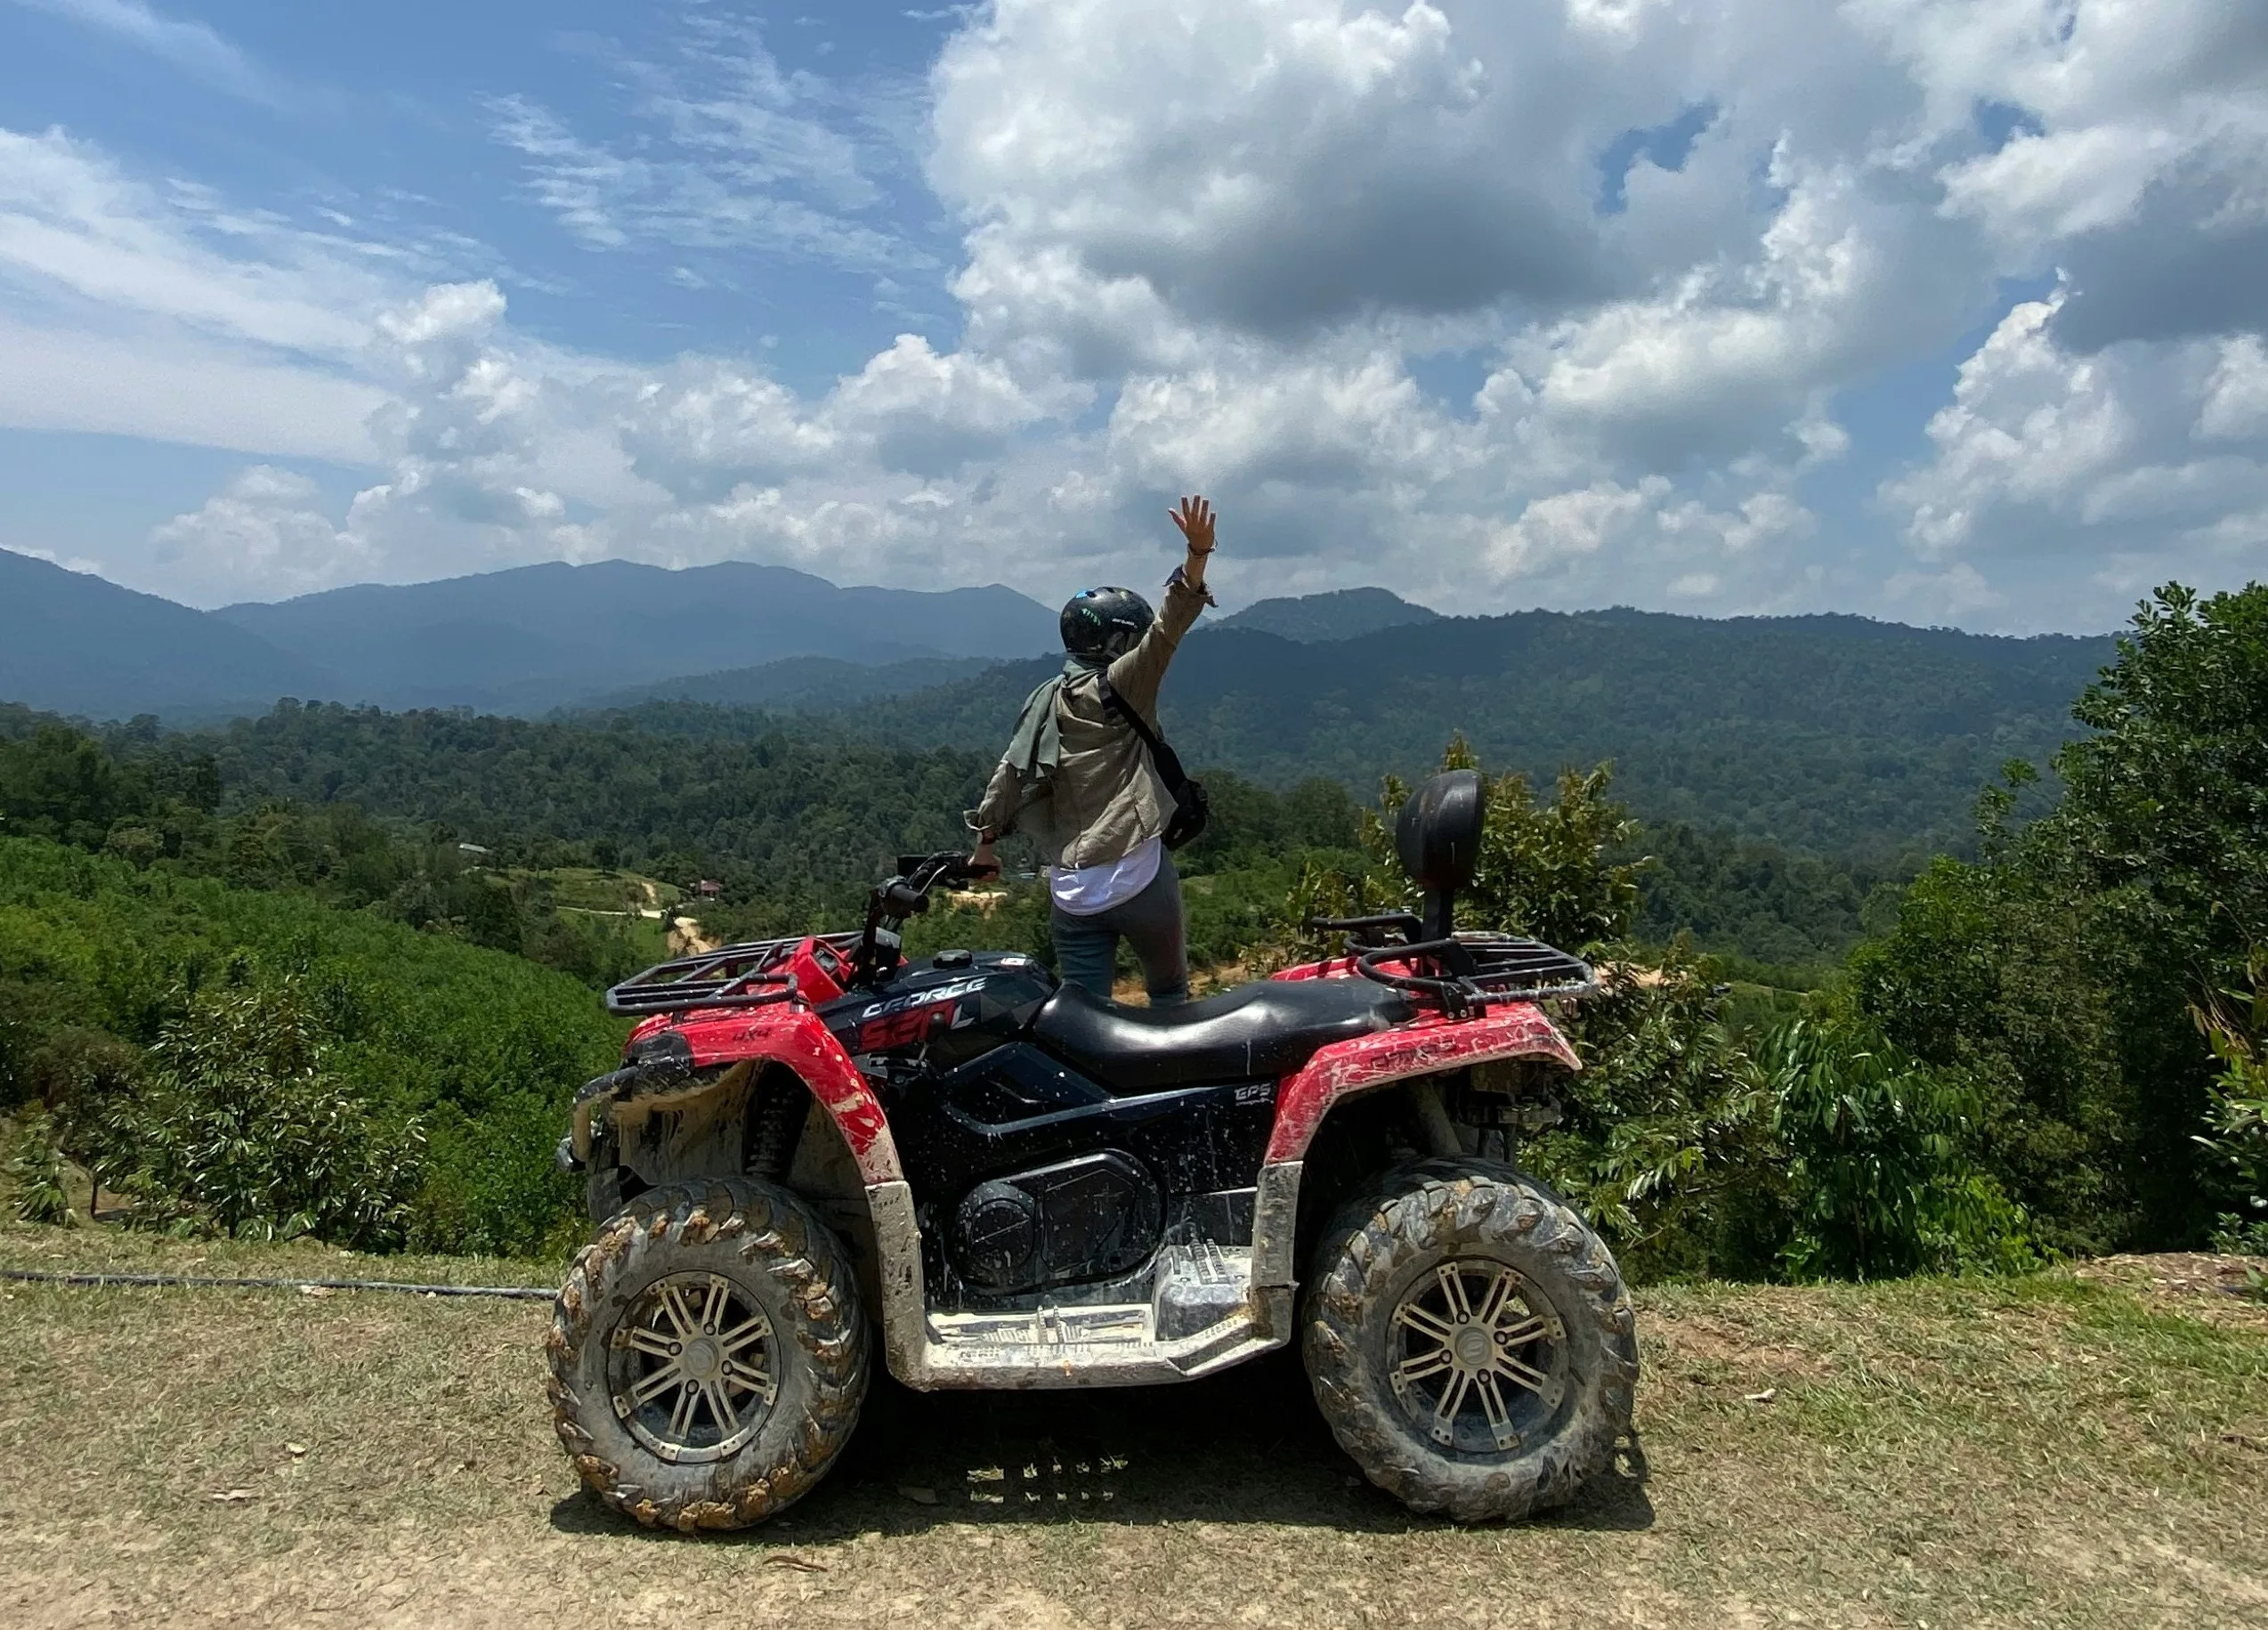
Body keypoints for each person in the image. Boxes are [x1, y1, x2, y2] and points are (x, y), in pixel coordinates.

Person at [967, 496, 1219, 1005]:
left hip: (1072, 891)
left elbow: (1009, 774)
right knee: (1170, 994)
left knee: (1085, 1014)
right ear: (1119, 643)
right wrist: (1198, 552)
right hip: (1139, 872)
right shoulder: (1126, 683)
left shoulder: (1045, 699)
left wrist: (985, 845)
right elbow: (1171, 628)